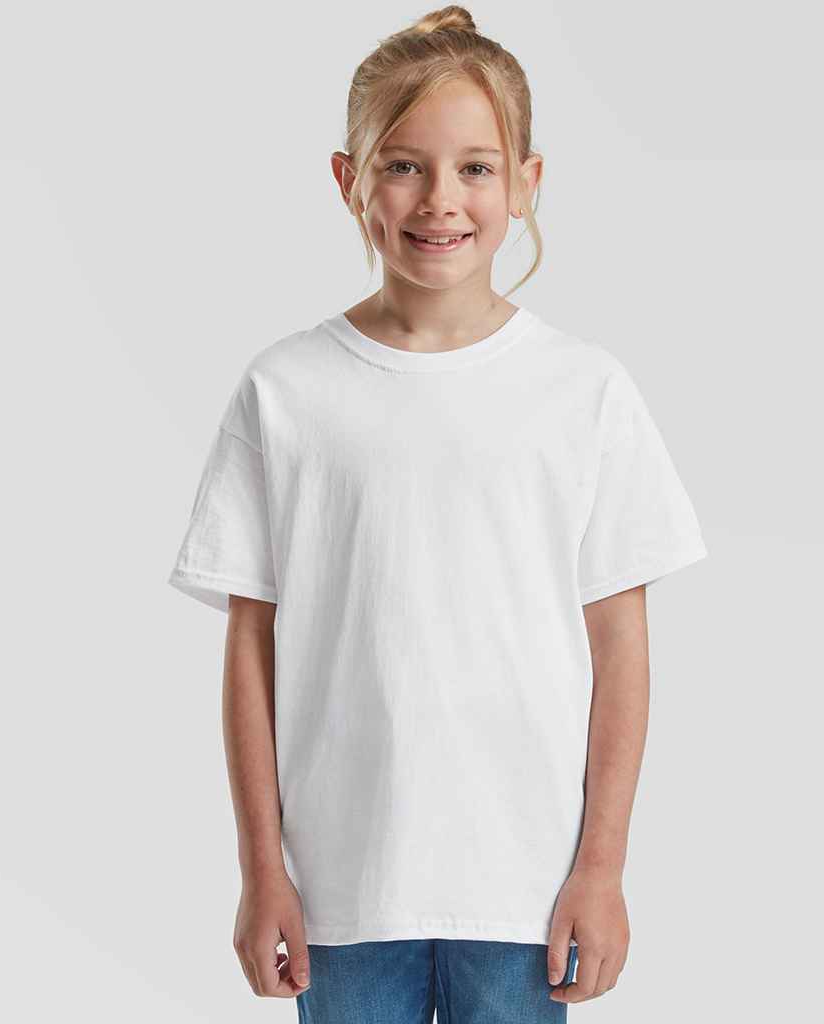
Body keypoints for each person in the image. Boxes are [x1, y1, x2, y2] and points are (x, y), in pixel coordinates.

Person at [166, 5, 708, 1021]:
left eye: (475, 168)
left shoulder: (583, 391)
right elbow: (251, 645)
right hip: (341, 897)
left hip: (524, 893)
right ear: (349, 179)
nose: (439, 200)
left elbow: (619, 644)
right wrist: (261, 869)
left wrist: (601, 867)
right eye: (404, 165)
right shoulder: (286, 390)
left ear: (526, 182)